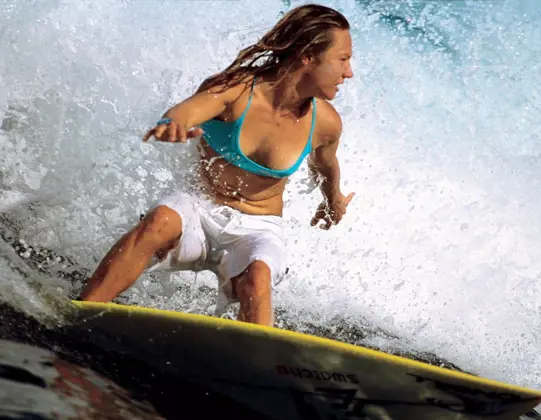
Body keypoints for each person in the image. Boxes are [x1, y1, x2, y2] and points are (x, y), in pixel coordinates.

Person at [79, 4, 355, 327]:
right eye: (343, 59)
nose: (348, 72)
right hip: (199, 206)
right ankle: (80, 312)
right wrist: (173, 124)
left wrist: (332, 199)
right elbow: (185, 112)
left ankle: (258, 364)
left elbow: (326, 164)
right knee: (160, 222)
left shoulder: (325, 123)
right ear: (308, 56)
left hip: (258, 228)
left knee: (258, 276)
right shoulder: (237, 90)